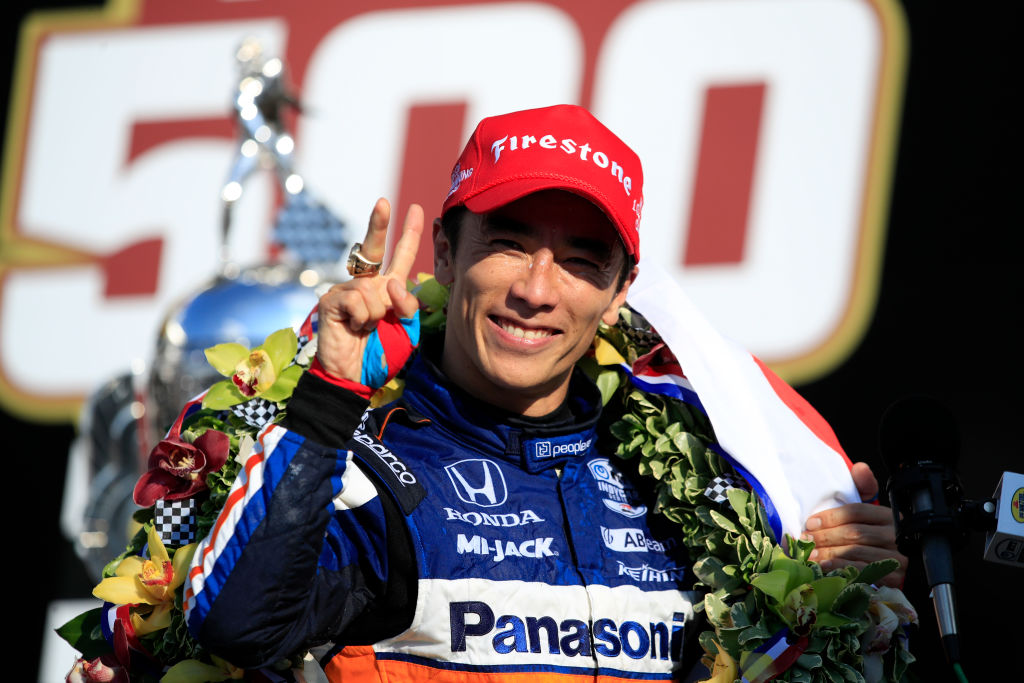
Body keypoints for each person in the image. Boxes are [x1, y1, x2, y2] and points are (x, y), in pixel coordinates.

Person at [184, 104, 904, 680]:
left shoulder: (708, 483)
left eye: (581, 261)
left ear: (621, 292)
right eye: (508, 243)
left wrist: (843, 581)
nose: (535, 290)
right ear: (445, 252)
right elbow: (237, 625)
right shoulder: (365, 465)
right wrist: (331, 391)